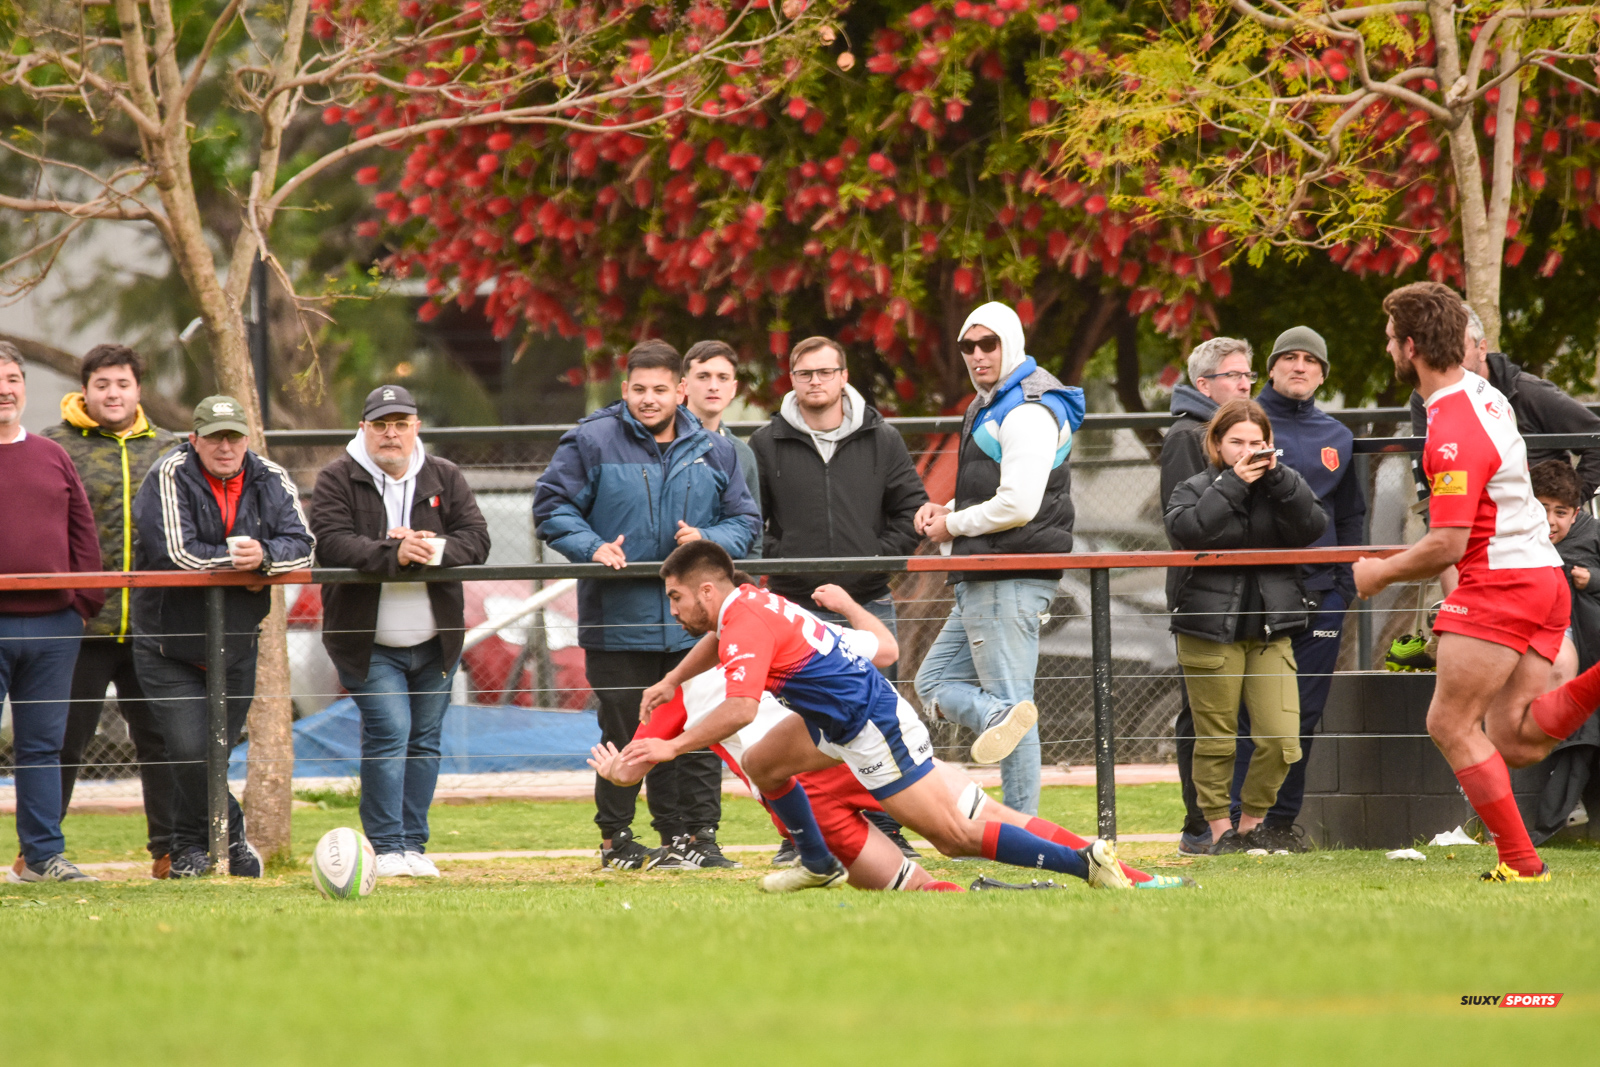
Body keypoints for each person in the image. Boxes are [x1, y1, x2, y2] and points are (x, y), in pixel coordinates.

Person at [593, 577, 1188, 892]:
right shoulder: (748, 604)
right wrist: (671, 682)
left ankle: (1088, 863)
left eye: (673, 597)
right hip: (828, 735)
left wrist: (668, 745)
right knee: (768, 766)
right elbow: (877, 647)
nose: (669, 610)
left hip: (869, 730)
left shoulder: (747, 622)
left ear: (706, 591)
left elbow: (743, 709)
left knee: (956, 836)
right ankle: (817, 861)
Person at [1353, 280, 1600, 883]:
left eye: (1390, 337)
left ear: (1410, 346)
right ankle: (1523, 863)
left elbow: (1448, 543)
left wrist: (1378, 572)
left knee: (1449, 724)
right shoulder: (1481, 392)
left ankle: (1521, 864)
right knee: (1514, 741)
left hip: (1502, 583)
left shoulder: (1453, 427)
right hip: (1541, 577)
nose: (1387, 347)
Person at [533, 340, 760, 871]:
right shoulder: (590, 441)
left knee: (699, 729)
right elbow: (551, 505)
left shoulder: (714, 448)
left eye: (661, 389)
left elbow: (746, 523)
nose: (649, 399)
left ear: (680, 389)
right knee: (624, 730)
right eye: (639, 390)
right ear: (624, 388)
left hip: (697, 627)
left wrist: (707, 536)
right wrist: (591, 546)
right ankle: (617, 839)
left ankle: (695, 837)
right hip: (617, 622)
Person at [749, 334, 927, 860]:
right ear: (792, 379)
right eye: (805, 374)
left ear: (844, 376)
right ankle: (803, 835)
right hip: (794, 609)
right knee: (800, 724)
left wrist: (873, 559)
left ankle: (886, 828)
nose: (816, 383)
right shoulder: (765, 443)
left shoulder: (883, 439)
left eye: (825, 372)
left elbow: (909, 510)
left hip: (868, 603)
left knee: (874, 718)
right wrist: (786, 562)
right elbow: (750, 520)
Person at [310, 385, 491, 879]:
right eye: (381, 425)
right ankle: (387, 846)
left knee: (426, 740)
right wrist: (392, 554)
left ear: (416, 427)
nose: (391, 434)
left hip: (436, 642)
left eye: (401, 423)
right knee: (391, 732)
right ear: (363, 429)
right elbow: (332, 543)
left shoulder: (445, 476)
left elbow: (477, 540)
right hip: (368, 644)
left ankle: (414, 845)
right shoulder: (336, 478)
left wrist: (434, 547)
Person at [130, 395, 315, 878]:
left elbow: (303, 546)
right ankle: (227, 836)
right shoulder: (167, 475)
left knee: (214, 752)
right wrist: (241, 567)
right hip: (168, 644)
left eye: (233, 436)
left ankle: (192, 851)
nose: (225, 446)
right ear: (195, 440)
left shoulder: (270, 477)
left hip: (235, 642)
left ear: (247, 439)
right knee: (191, 749)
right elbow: (176, 553)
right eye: (214, 437)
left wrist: (266, 558)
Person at [912, 302, 1085, 816]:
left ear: (1012, 343)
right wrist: (948, 512)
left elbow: (1018, 505)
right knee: (935, 683)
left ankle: (1023, 835)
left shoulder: (1027, 409)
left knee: (1013, 710)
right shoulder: (993, 402)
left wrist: (951, 524)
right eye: (969, 345)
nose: (978, 354)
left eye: (989, 343)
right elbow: (999, 496)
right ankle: (994, 727)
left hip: (1007, 576)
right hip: (986, 574)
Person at [36, 344, 180, 881]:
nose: (113, 394)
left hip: (151, 625)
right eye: (102, 384)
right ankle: (41, 848)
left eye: (122, 383)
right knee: (63, 739)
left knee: (159, 741)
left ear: (138, 389)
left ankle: (169, 851)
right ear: (85, 389)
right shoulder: (53, 447)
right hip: (79, 624)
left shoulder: (170, 449)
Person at [1165, 399, 1328, 854]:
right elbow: (1192, 531)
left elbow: (1314, 524)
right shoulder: (1193, 488)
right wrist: (1233, 483)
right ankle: (1219, 832)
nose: (1247, 451)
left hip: (1271, 631)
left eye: (1257, 443)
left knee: (1281, 739)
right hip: (1208, 630)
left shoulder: (1281, 487)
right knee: (1216, 740)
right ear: (1216, 444)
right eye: (1236, 442)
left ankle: (1251, 825)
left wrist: (1279, 478)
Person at [1227, 327, 1366, 853]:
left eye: (1311, 360)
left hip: (1323, 592)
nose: (1300, 367)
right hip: (1262, 591)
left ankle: (1281, 823)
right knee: (1252, 714)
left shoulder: (1339, 435)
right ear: (1271, 367)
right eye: (1289, 357)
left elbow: (1351, 514)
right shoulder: (1245, 424)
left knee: (1305, 713)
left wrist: (1345, 583)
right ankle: (1238, 824)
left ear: (1323, 373)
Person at [0, 343, 104, 883]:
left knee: (43, 747)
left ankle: (42, 857)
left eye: (13, 378)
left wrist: (81, 605)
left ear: (24, 385)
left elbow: (83, 530)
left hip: (53, 626)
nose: (5, 389)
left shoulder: (50, 454)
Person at [1159, 336, 1257, 855]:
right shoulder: (1185, 437)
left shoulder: (1244, 435)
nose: (1245, 384)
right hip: (1201, 595)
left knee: (1240, 713)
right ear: (1204, 385)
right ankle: (1199, 825)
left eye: (1248, 376)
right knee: (1201, 714)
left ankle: (1237, 821)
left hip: (1245, 594)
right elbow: (1186, 527)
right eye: (1234, 376)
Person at [1410, 305, 1600, 509]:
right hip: (1467, 515)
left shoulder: (1527, 391)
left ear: (1481, 349)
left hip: (1537, 522)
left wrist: (1568, 504)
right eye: (1440, 350)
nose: (1449, 359)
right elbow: (1428, 469)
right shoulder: (1425, 396)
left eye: (1457, 348)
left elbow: (1596, 437)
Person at [1527, 460, 1600, 842]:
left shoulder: (1590, 538)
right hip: (1554, 663)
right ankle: (1556, 816)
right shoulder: (1516, 544)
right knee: (1580, 727)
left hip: (1589, 656)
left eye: (1560, 512)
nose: (1551, 521)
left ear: (1576, 513)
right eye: (1541, 509)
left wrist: (1593, 581)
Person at [680, 341, 761, 547]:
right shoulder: (661, 442)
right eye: (703, 376)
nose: (713, 386)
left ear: (733, 388)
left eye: (722, 378)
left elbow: (752, 533)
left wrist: (749, 579)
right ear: (684, 385)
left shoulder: (742, 453)